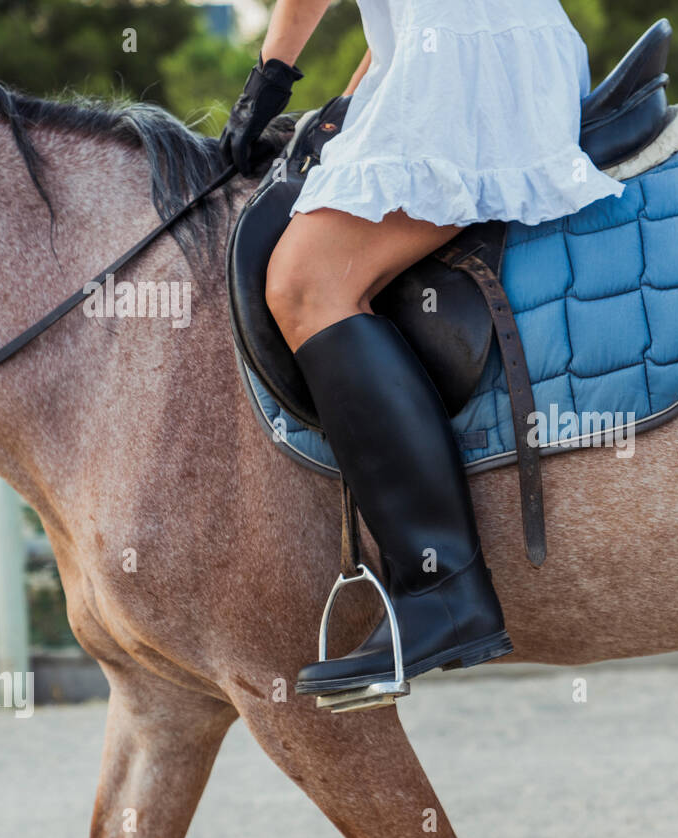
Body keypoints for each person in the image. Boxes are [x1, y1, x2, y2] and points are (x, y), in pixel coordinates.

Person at [219, 0, 623, 697]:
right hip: (471, 48)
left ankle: (444, 590)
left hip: (467, 66)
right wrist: (349, 98)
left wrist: (270, 75)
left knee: (307, 285)